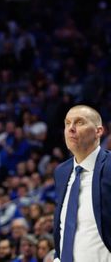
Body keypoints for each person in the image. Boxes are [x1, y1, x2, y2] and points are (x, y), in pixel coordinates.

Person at [53, 105, 111, 262]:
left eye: (79, 122)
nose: (71, 128)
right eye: (67, 123)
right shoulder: (61, 172)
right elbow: (62, 225)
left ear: (98, 131)